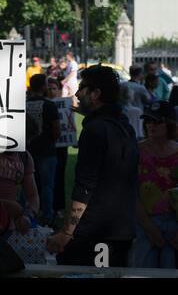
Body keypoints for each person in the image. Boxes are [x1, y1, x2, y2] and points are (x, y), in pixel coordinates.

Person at [47, 65, 139, 267]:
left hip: (95, 232)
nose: (78, 93)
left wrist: (66, 233)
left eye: (83, 88)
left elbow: (85, 185)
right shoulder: (124, 126)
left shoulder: (96, 130)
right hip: (122, 230)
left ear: (96, 93)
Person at [132, 101, 178, 268]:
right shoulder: (137, 151)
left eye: (157, 121)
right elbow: (131, 192)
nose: (151, 125)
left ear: (170, 124)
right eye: (148, 121)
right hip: (145, 223)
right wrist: (149, 228)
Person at [26, 74, 60, 225]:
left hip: (27, 150)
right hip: (47, 151)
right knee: (47, 186)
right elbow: (56, 130)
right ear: (44, 87)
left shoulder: (23, 104)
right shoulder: (50, 105)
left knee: (26, 186)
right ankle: (47, 216)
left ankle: (26, 215)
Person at [47, 77, 68, 218]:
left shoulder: (65, 105)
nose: (51, 91)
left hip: (61, 147)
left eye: (54, 88)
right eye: (49, 88)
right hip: (47, 147)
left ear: (59, 91)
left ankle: (59, 207)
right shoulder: (44, 105)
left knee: (59, 177)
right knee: (46, 179)